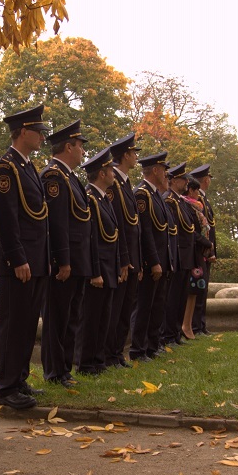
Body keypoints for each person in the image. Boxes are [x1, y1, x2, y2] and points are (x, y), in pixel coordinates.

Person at [0, 105, 50, 410]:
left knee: (27, 323)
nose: (42, 136)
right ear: (23, 132)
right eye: (37, 131)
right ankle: (5, 385)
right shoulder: (6, 168)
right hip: (21, 262)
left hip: (36, 260)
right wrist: (17, 258)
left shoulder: (27, 167)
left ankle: (20, 378)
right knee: (13, 323)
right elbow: (6, 218)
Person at [40, 120, 95, 386]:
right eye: (80, 146)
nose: (83, 152)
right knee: (57, 319)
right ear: (68, 146)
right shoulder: (53, 176)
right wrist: (62, 260)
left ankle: (64, 368)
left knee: (71, 317)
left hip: (78, 259)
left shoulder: (70, 177)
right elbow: (57, 221)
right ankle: (54, 371)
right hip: (65, 261)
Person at [75, 146, 125, 375]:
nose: (114, 173)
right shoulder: (90, 198)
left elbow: (113, 236)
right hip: (98, 268)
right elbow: (91, 238)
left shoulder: (104, 199)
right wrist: (95, 271)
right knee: (91, 318)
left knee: (104, 317)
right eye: (110, 170)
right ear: (102, 173)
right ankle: (85, 363)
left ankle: (98, 360)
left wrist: (118, 265)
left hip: (108, 267)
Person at [130, 152, 176, 361]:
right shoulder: (142, 194)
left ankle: (151, 345)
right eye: (164, 170)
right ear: (155, 170)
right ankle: (138, 349)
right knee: (144, 306)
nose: (167, 174)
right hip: (151, 261)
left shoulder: (156, 195)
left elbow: (164, 231)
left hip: (162, 259)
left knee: (157, 304)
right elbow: (146, 231)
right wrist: (154, 261)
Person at [104, 133, 141, 368]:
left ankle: (117, 352)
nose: (137, 156)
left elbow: (133, 224)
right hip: (122, 257)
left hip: (131, 256)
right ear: (126, 155)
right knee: (115, 310)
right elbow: (117, 224)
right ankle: (110, 354)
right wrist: (124, 259)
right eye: (134, 152)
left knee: (125, 308)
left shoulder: (125, 182)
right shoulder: (113, 183)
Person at [175, 173, 213, 341]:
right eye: (196, 190)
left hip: (198, 253)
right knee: (190, 290)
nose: (198, 194)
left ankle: (189, 324)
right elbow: (190, 231)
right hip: (191, 252)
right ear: (189, 190)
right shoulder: (185, 206)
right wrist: (206, 242)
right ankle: (186, 325)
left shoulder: (196, 207)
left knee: (197, 289)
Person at [188, 163, 216, 335]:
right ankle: (197, 326)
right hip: (201, 252)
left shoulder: (204, 200)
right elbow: (202, 230)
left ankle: (201, 325)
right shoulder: (198, 202)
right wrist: (209, 250)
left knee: (203, 289)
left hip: (206, 251)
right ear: (206, 180)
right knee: (199, 290)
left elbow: (210, 229)